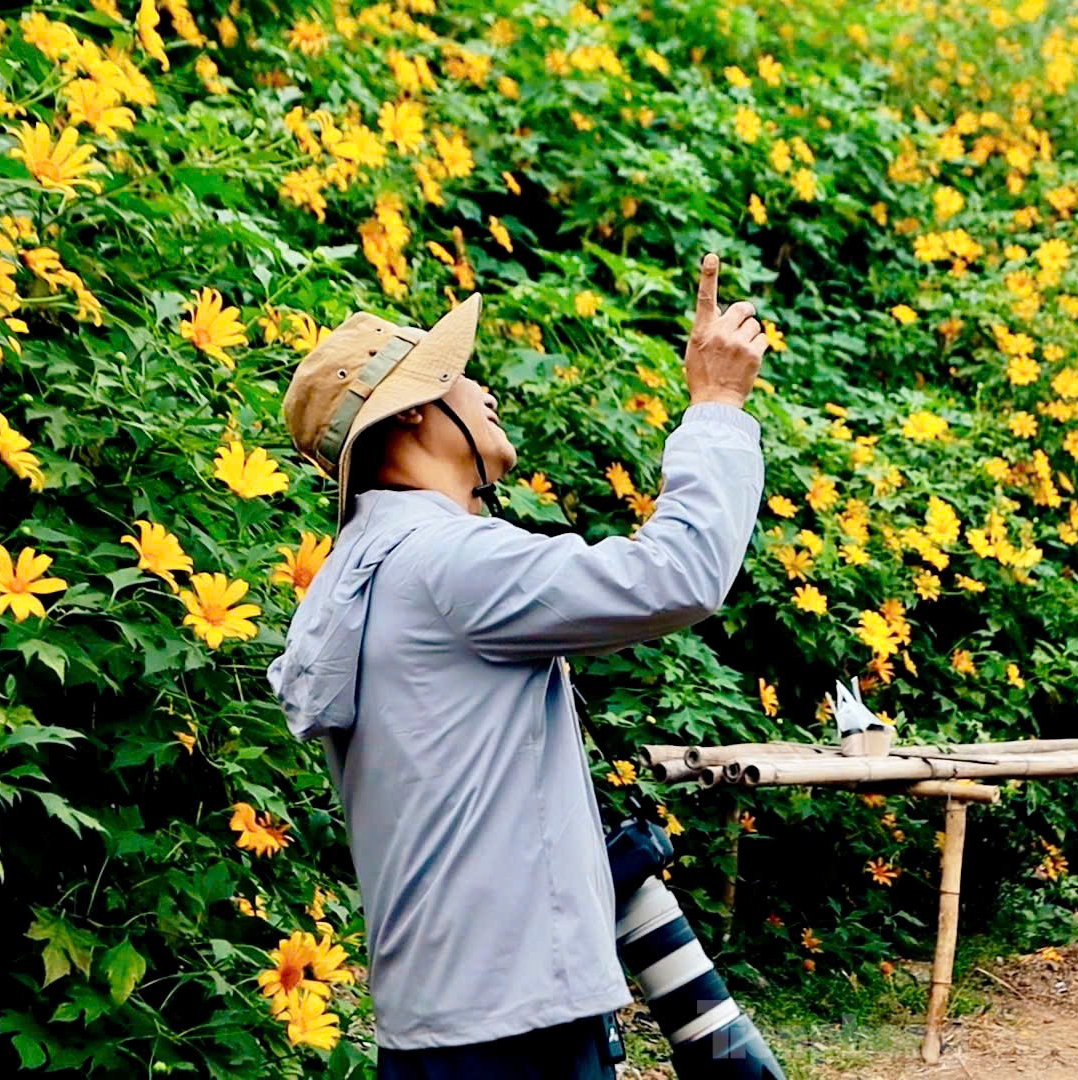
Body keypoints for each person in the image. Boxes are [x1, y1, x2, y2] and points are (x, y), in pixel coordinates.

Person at [266, 253, 768, 1078]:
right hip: (518, 1033)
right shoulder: (445, 564)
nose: (483, 390)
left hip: (437, 1022)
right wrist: (715, 407)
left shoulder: (357, 572)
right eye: (457, 376)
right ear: (413, 419)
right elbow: (678, 576)